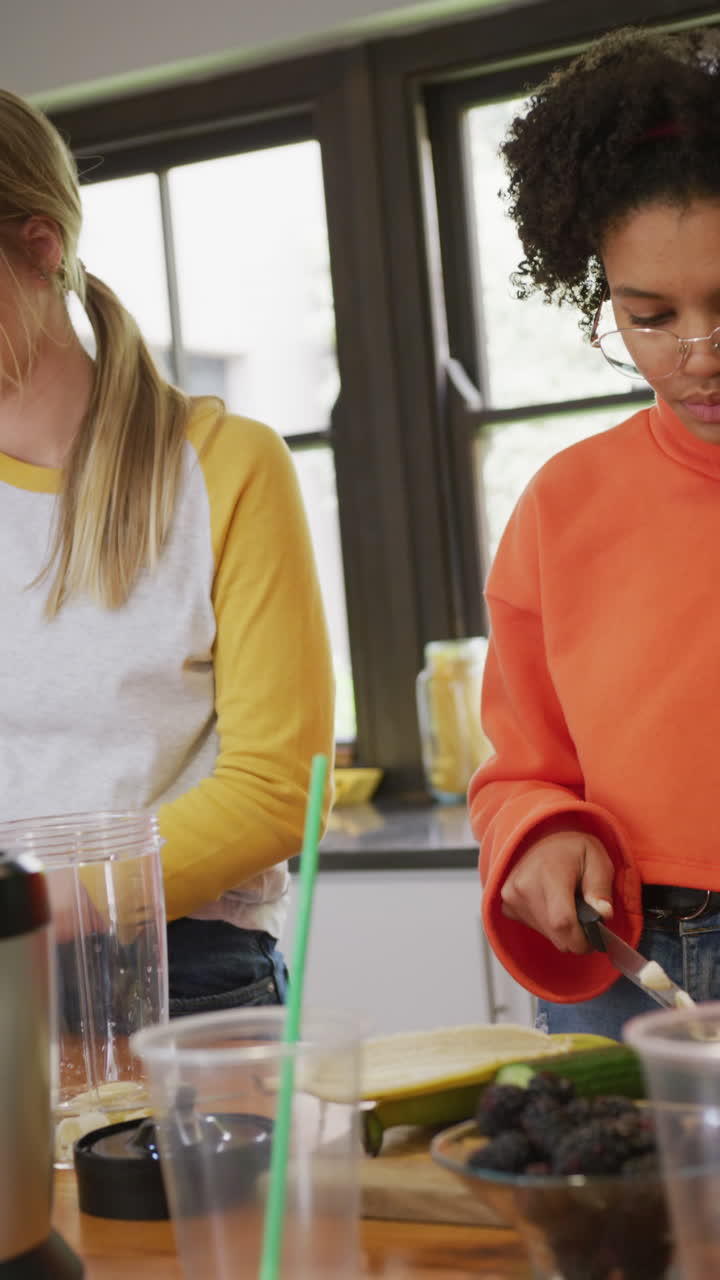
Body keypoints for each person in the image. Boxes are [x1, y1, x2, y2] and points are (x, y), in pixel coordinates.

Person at [0, 88, 334, 1015]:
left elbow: (278, 792)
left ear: (40, 247)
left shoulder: (226, 466)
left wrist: (33, 907)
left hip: (186, 975)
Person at [469, 25, 720, 1041]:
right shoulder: (564, 504)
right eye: (650, 317)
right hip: (633, 961)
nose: (698, 353)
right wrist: (538, 833)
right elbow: (521, 770)